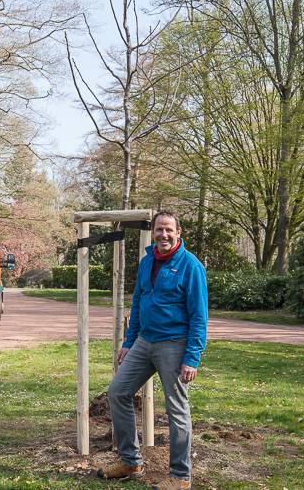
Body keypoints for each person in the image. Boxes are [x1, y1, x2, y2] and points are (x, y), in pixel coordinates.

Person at [97, 210, 208, 490]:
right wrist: (129, 341)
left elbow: (199, 316)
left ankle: (180, 476)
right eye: (159, 229)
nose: (163, 234)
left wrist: (192, 357)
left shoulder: (191, 266)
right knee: (118, 391)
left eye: (169, 229)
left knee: (176, 409)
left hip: (174, 343)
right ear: (154, 232)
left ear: (178, 233)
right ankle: (130, 461)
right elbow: (138, 303)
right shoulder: (147, 262)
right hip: (144, 341)